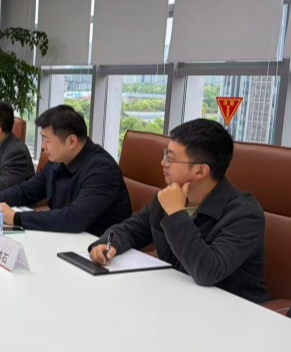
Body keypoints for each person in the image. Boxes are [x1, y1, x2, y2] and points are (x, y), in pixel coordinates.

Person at [89, 118, 269, 303]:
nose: (163, 163)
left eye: (170, 158)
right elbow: (130, 230)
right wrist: (107, 244)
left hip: (230, 309)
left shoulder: (244, 214)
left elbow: (207, 272)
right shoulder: (169, 197)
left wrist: (176, 213)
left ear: (200, 171)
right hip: (176, 297)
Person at [0, 105, 131, 236]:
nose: (42, 146)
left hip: (97, 249)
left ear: (72, 141)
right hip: (64, 239)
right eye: (42, 138)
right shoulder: (58, 162)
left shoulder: (102, 170)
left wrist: (16, 218)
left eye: (46, 140)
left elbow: (74, 218)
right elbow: (26, 191)